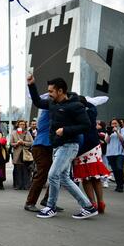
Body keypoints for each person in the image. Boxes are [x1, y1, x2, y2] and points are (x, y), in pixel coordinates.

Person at [27, 74, 98, 219]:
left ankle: (50, 206)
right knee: (64, 178)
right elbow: (38, 102)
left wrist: (65, 130)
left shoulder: (76, 105)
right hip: (58, 146)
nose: (49, 94)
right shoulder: (52, 103)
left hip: (69, 145)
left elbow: (86, 125)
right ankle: (88, 206)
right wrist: (31, 85)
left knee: (53, 175)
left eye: (51, 91)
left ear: (60, 91)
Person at [72, 96, 110, 213]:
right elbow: (93, 106)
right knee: (96, 177)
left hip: (82, 148)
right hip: (94, 145)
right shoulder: (91, 112)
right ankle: (101, 202)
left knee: (85, 178)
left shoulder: (75, 115)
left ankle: (92, 203)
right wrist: (87, 102)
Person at [105, 118, 124, 193]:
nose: (114, 125)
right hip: (110, 153)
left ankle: (121, 186)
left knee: (119, 168)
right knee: (114, 170)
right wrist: (109, 134)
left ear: (118, 124)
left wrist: (117, 132)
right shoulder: (108, 131)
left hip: (120, 153)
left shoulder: (122, 130)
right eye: (112, 123)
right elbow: (107, 141)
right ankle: (118, 185)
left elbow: (123, 139)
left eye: (115, 123)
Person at [10, 120, 33, 190]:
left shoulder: (28, 133)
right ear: (18, 125)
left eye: (23, 124)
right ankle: (18, 185)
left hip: (25, 154)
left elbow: (32, 142)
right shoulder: (14, 133)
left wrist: (23, 142)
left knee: (26, 170)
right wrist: (16, 144)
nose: (22, 126)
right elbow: (11, 143)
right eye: (20, 124)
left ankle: (26, 185)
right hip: (17, 154)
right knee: (18, 170)